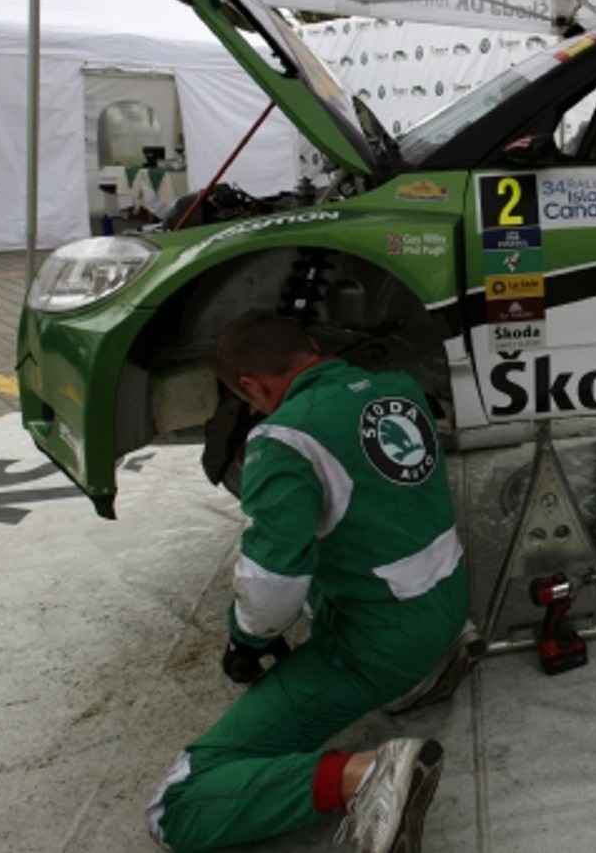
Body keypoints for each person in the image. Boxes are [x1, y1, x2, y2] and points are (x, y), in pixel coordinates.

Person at [148, 311, 479, 853]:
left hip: (380, 642)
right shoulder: (397, 387)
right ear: (309, 348)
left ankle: (370, 775)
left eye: (249, 399)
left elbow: (274, 580)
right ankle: (433, 667)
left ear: (252, 386)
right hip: (447, 599)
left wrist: (247, 640)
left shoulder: (284, 436)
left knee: (180, 802)